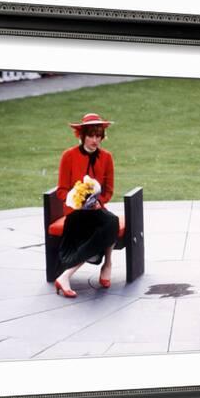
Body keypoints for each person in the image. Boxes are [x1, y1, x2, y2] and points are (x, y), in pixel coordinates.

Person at [54, 113, 119, 298]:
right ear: (82, 136)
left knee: (111, 221)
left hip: (96, 210)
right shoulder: (69, 156)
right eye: (91, 135)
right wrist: (76, 200)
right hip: (76, 213)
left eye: (98, 136)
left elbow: (108, 191)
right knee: (104, 225)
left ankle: (108, 264)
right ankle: (66, 276)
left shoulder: (107, 157)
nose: (95, 140)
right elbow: (61, 190)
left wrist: (98, 202)